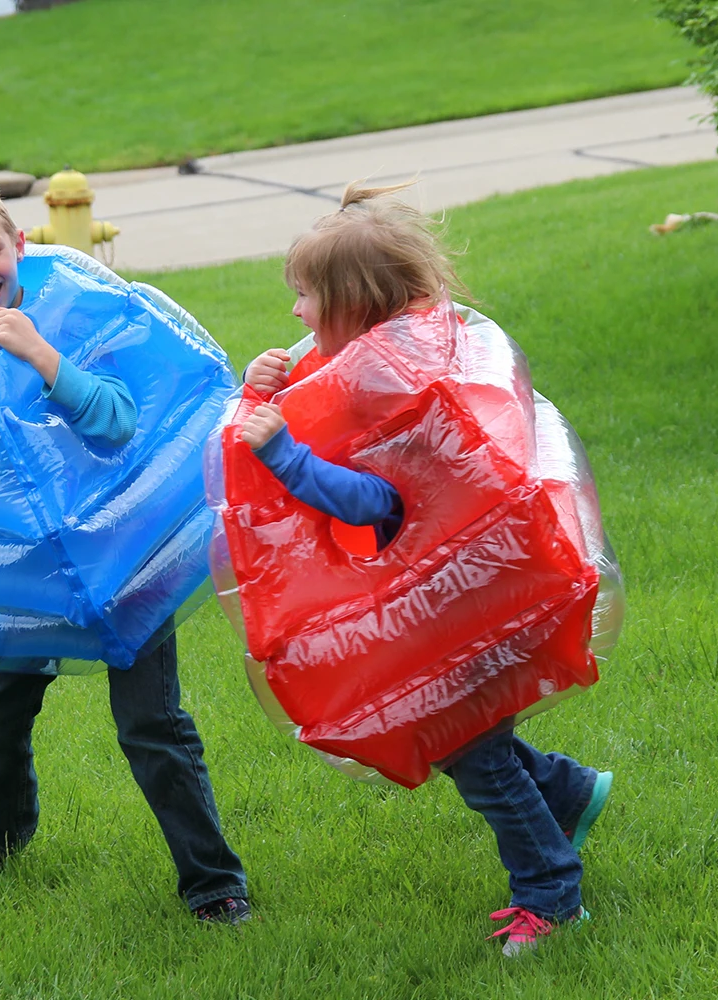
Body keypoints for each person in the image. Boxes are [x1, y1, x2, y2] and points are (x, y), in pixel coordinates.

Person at [0, 181, 249, 924]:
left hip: (119, 557)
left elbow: (117, 421)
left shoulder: (64, 315)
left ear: (21, 248)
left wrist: (43, 358)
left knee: (150, 726)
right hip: (26, 566)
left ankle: (213, 881)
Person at [239, 180, 611, 956]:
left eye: (306, 297)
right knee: (471, 743)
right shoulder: (408, 355)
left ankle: (552, 891)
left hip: (464, 612)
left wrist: (280, 452)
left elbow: (373, 499)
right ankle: (568, 790)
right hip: (475, 598)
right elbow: (339, 413)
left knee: (472, 755)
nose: (298, 313)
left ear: (354, 305)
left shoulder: (398, 390)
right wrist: (265, 388)